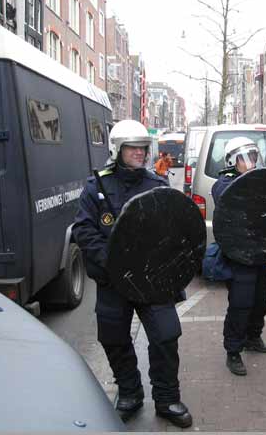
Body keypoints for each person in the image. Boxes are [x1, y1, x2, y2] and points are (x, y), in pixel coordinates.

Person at [72, 120, 192, 428]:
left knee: (166, 336)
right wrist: (113, 261)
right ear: (117, 150)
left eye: (143, 148)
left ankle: (167, 399)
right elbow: (84, 230)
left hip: (152, 279)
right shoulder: (96, 186)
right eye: (132, 148)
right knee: (112, 336)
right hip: (114, 280)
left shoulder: (157, 185)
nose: (139, 153)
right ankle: (129, 392)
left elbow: (175, 231)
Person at [211, 137, 266, 377]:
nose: (251, 162)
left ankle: (253, 337)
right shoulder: (223, 184)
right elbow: (239, 206)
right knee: (240, 303)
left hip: (260, 251)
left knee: (259, 300)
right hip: (239, 254)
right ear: (232, 161)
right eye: (245, 158)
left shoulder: (259, 181)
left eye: (253, 157)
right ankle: (233, 351)